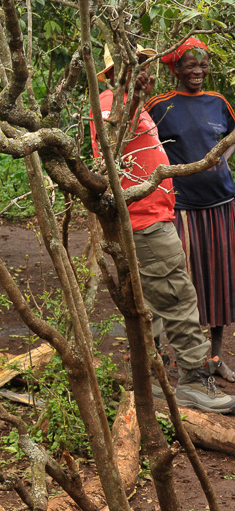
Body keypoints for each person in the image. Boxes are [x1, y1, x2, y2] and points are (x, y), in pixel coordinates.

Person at [90, 45, 235, 414]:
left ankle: (150, 377)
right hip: (144, 219)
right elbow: (112, 146)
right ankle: (193, 379)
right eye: (134, 65)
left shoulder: (129, 101)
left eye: (143, 64)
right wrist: (136, 96)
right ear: (114, 72)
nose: (143, 70)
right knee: (179, 296)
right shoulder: (111, 103)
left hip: (154, 214)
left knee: (152, 300)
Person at [146, 38, 235, 381]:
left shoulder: (219, 102)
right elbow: (139, 138)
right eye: (190, 65)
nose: (198, 71)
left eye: (203, 65)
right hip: (180, 207)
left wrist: (220, 161)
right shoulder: (161, 105)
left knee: (220, 284)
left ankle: (214, 357)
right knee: (182, 286)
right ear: (176, 69)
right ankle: (175, 358)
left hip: (222, 206)